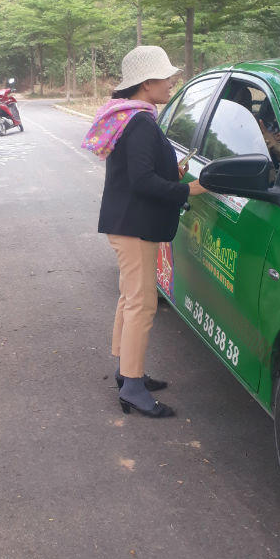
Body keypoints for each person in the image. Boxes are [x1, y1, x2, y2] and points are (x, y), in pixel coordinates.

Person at [82, 45, 207, 418]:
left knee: (130, 298)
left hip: (126, 222)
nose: (172, 83)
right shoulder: (139, 121)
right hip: (134, 225)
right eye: (167, 78)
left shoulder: (131, 116)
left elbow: (141, 171)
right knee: (142, 303)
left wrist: (174, 173)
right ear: (147, 83)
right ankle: (133, 387)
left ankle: (126, 371)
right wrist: (188, 188)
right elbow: (141, 181)